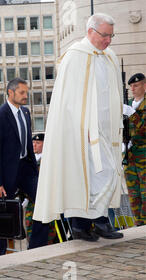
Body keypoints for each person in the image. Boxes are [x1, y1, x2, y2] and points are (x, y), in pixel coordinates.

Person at [33, 13, 124, 241]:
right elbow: (68, 100)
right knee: (82, 176)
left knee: (104, 173)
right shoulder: (74, 56)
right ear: (91, 31)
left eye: (111, 36)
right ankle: (83, 225)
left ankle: (99, 221)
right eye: (105, 35)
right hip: (81, 132)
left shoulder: (110, 56)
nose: (108, 41)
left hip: (106, 130)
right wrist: (78, 127)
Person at [0, 78, 50, 251]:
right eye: (22, 92)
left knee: (45, 201)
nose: (25, 96)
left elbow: (27, 144)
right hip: (6, 173)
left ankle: (36, 247)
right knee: (2, 214)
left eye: (26, 92)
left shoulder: (26, 113)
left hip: (26, 169)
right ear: (10, 92)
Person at [124, 73, 145, 226]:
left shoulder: (132, 109)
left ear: (145, 86)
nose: (133, 88)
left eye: (136, 85)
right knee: (133, 194)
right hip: (130, 157)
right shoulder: (129, 104)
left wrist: (132, 115)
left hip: (144, 157)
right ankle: (139, 224)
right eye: (131, 86)